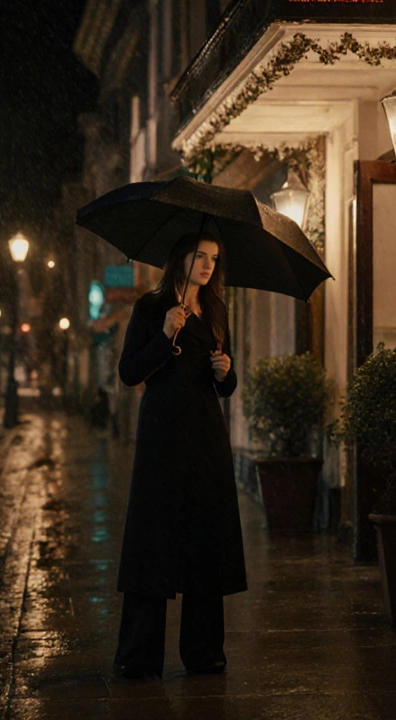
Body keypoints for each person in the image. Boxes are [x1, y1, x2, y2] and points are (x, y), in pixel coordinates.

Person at [113, 232, 244, 679]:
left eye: (213, 258)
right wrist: (167, 334)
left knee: (205, 541)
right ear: (180, 258)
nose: (207, 266)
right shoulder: (151, 308)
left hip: (206, 436)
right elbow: (130, 371)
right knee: (154, 542)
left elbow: (222, 382)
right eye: (199, 256)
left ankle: (204, 652)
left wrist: (227, 374)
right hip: (162, 437)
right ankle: (139, 655)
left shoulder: (217, 311)